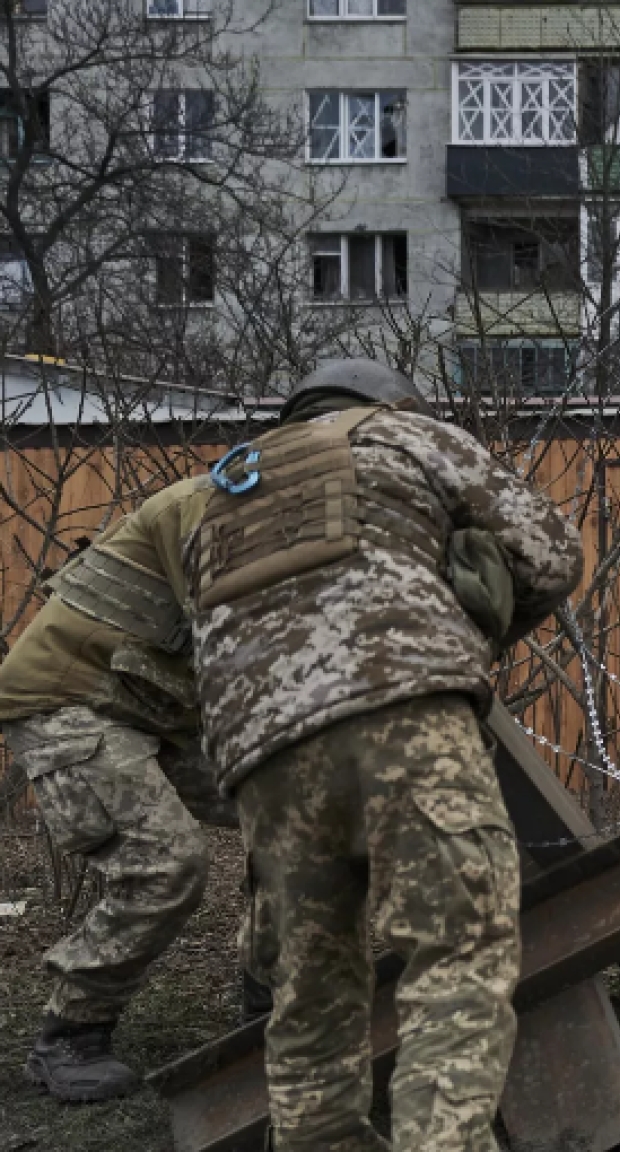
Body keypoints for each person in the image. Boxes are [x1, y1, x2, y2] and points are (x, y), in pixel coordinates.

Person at [185, 360, 583, 1151]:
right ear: (391, 402)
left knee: (309, 988)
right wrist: (476, 623)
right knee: (456, 954)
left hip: (260, 753)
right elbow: (550, 555)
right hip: (402, 705)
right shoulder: (407, 435)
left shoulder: (223, 494)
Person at [0, 476, 237, 1102]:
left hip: (148, 702)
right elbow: (238, 631)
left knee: (295, 808)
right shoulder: (216, 501)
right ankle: (71, 1035)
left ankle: (274, 989)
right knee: (167, 863)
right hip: (69, 697)